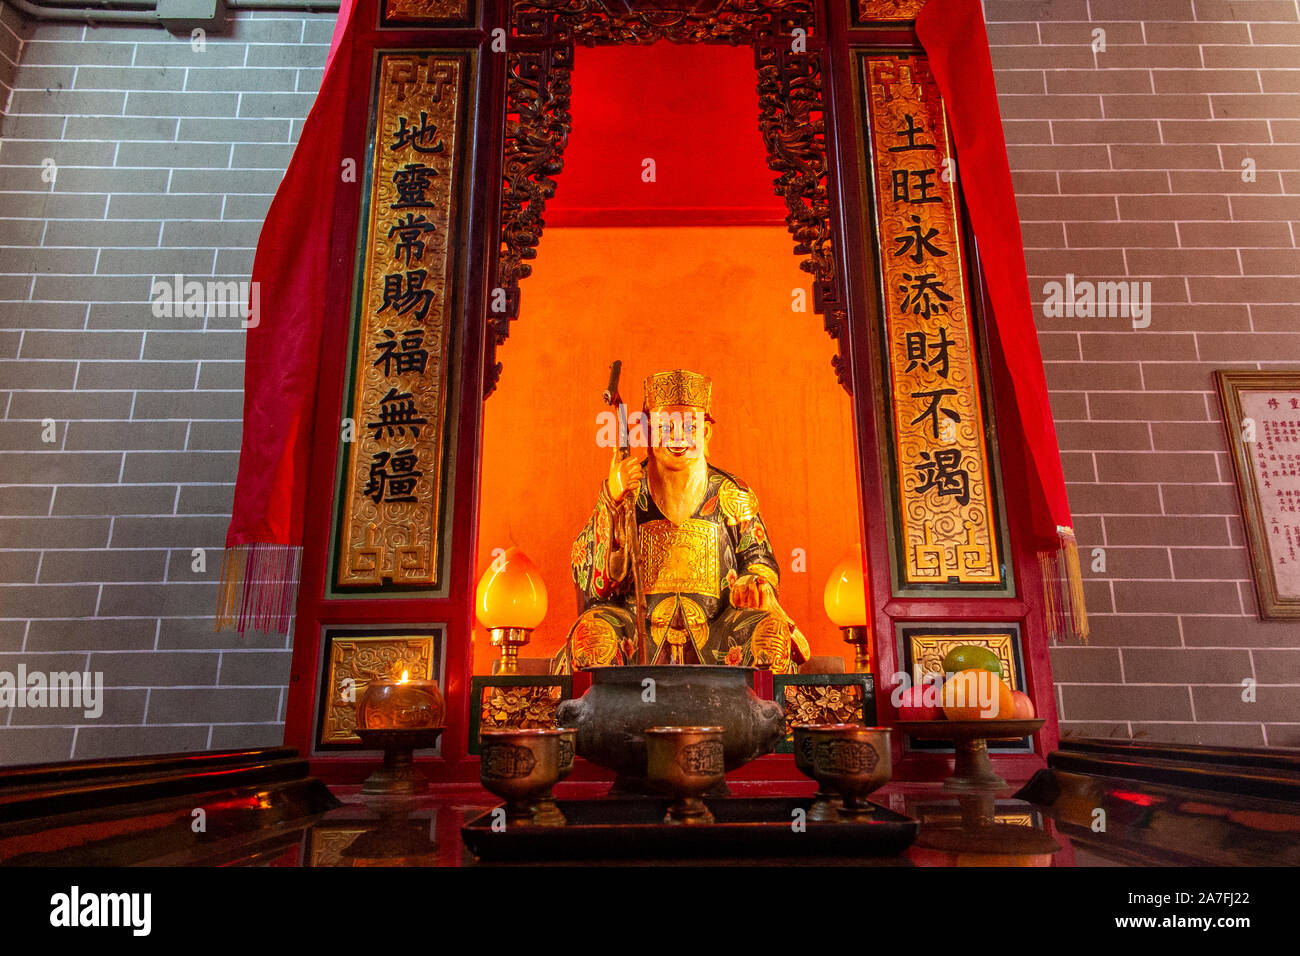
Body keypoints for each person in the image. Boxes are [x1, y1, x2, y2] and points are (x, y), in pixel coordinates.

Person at [555, 369, 810, 673]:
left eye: (690, 427)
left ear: (706, 431)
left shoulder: (731, 494)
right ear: (647, 431)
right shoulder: (629, 490)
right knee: (594, 633)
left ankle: (757, 718)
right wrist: (613, 499)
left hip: (718, 629)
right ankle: (602, 717)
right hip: (638, 630)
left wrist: (754, 581)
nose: (678, 438)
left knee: (768, 634)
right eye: (665, 427)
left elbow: (758, 557)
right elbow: (590, 573)